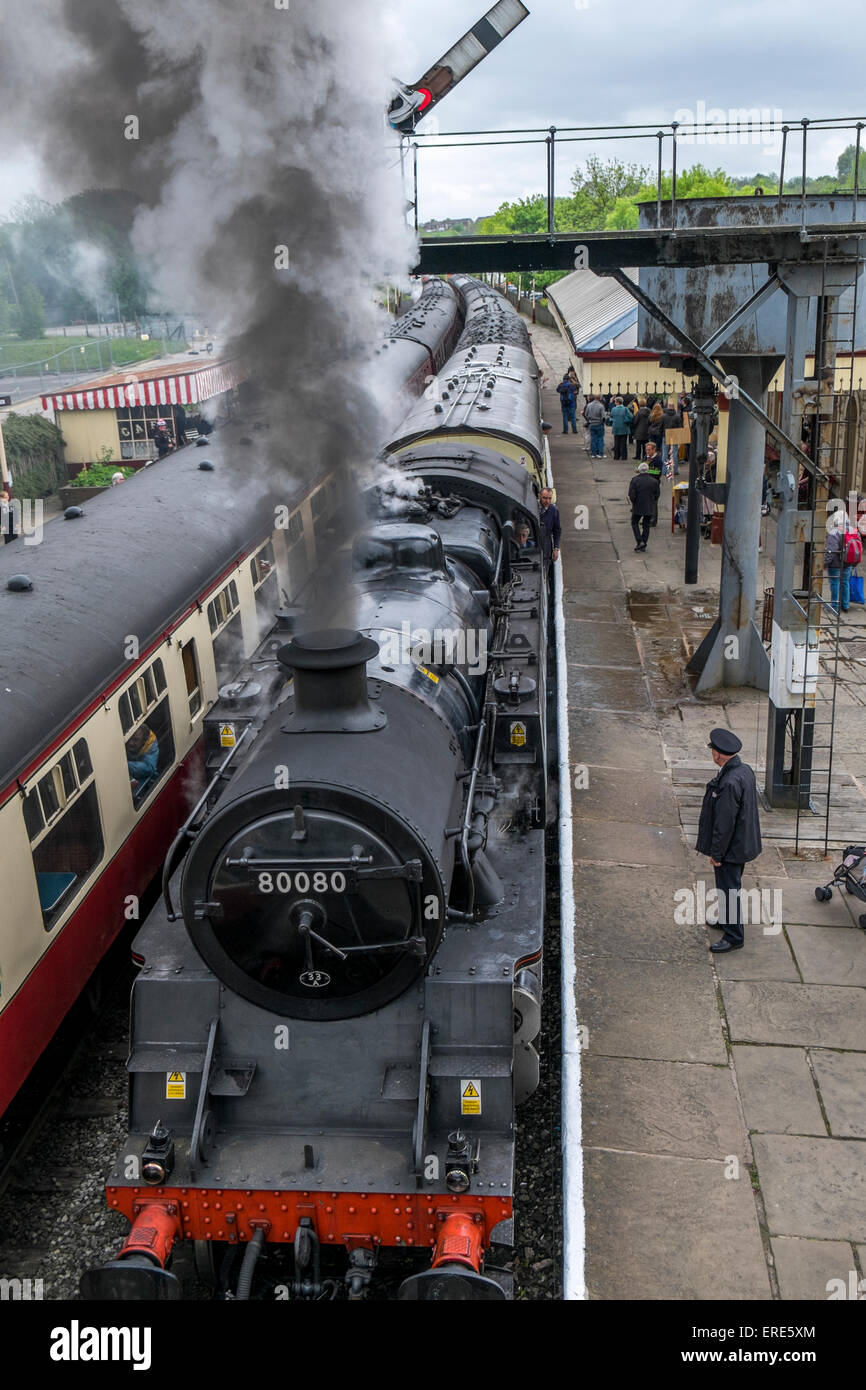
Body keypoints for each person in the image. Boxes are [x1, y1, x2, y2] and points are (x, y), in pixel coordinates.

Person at [695, 729, 762, 953]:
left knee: (728, 889)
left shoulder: (729, 782)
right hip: (742, 843)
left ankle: (734, 936)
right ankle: (726, 920)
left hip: (731, 848)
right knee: (728, 887)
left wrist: (717, 854)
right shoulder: (744, 770)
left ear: (718, 755)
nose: (712, 753)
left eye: (713, 750)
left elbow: (724, 824)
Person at [824, 500, 856, 614]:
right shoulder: (853, 530)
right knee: (845, 583)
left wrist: (825, 563)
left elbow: (830, 550)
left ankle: (834, 606)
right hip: (848, 562)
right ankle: (845, 605)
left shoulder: (834, 531)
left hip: (835, 564)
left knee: (835, 583)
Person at [628, 461, 660, 552]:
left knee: (634, 522)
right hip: (649, 506)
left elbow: (631, 495)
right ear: (648, 470)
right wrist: (652, 501)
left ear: (639, 470)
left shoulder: (634, 480)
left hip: (638, 505)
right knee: (646, 525)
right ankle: (643, 543)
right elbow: (657, 494)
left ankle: (639, 541)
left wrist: (634, 502)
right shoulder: (654, 481)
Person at [126, 723, 159, 798]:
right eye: (130, 738)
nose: (131, 743)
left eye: (135, 740)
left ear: (144, 741)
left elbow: (149, 768)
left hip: (146, 782)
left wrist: (126, 765)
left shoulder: (150, 745)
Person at [538, 487, 561, 569]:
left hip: (546, 547)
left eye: (549, 498)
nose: (547, 501)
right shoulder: (533, 507)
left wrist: (556, 548)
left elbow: (557, 531)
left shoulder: (554, 510)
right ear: (539, 496)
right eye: (544, 498)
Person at [644, 440, 663, 527]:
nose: (647, 451)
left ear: (654, 450)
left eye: (649, 450)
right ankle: (647, 519)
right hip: (645, 483)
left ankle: (653, 520)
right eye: (646, 450)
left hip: (654, 483)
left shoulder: (658, 460)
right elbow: (638, 467)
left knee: (653, 502)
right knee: (646, 502)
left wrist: (647, 470)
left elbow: (658, 472)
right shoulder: (645, 457)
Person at [661, 398, 682, 473]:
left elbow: (660, 426)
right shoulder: (677, 416)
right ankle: (675, 470)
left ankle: (664, 470)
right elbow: (680, 427)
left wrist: (661, 434)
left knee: (664, 453)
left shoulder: (663, 416)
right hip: (675, 435)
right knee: (674, 453)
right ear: (674, 408)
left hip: (666, 435)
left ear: (667, 407)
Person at [609, 396, 633, 461]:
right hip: (624, 427)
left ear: (617, 402)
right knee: (623, 443)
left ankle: (616, 456)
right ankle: (623, 456)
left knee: (616, 442)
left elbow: (611, 416)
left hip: (616, 427)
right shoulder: (625, 409)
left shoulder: (613, 409)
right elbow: (631, 416)